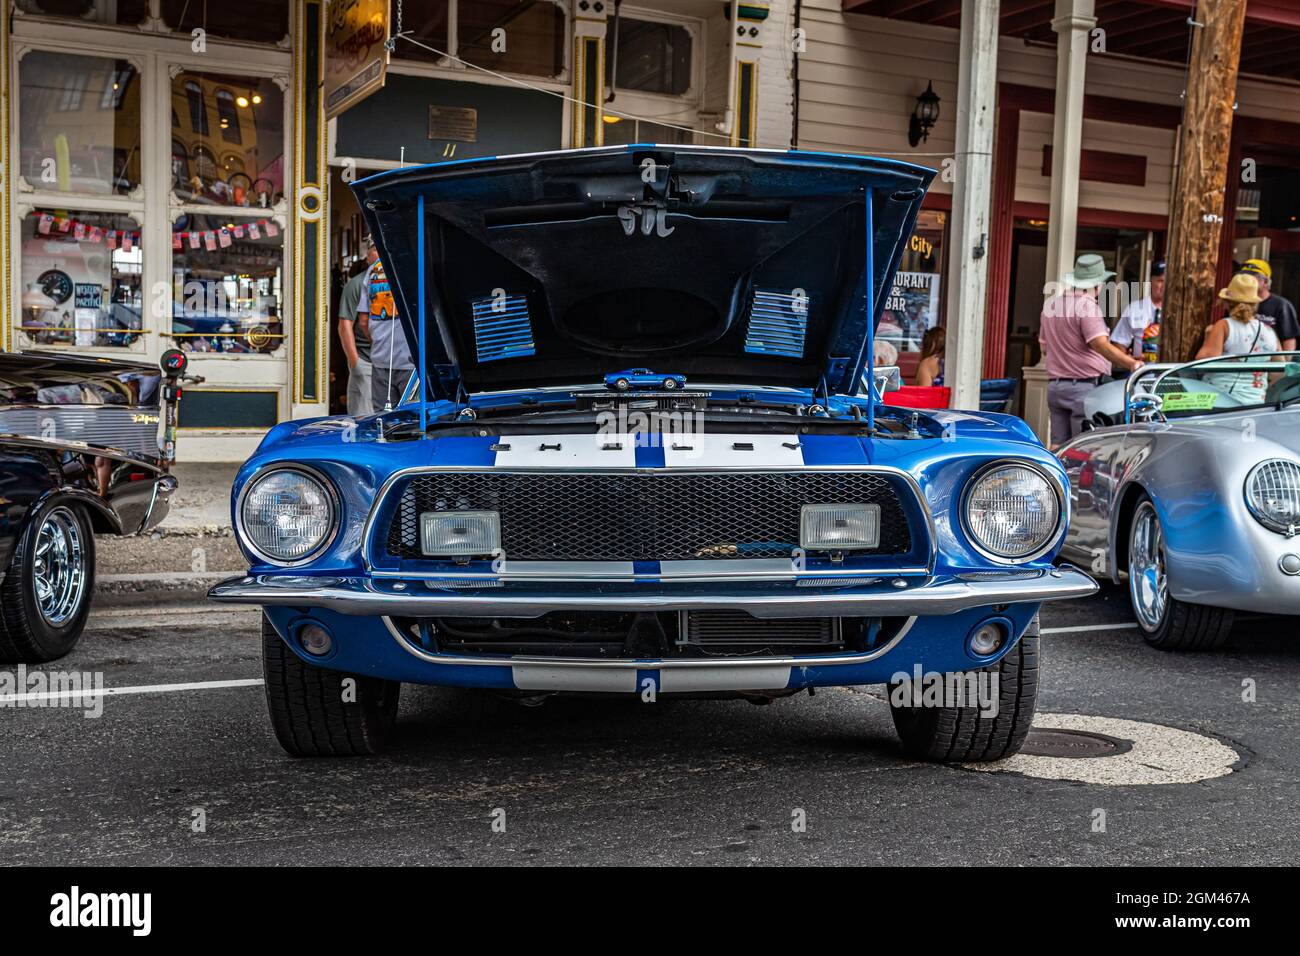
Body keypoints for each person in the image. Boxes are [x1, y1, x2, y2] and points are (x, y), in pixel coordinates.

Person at [1039, 253, 1144, 446]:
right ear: (1099, 284)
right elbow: (1100, 344)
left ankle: (1055, 477)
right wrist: (1132, 363)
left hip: (1056, 387)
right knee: (1083, 447)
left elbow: (1044, 348)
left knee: (1057, 445)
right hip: (1083, 387)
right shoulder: (1087, 307)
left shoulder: (1051, 305)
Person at [1195, 273, 1280, 404]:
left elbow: (1201, 363)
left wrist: (1207, 337)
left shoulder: (1223, 326)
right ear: (1255, 304)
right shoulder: (1269, 332)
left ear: (1227, 303)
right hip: (1255, 403)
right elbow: (1279, 371)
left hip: (1220, 401)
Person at [358, 248, 414, 412]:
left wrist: (377, 342)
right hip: (411, 359)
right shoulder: (414, 265)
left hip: (381, 357)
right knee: (412, 419)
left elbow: (363, 321)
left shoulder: (373, 270)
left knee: (383, 420)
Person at [337, 239, 376, 416]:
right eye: (375, 249)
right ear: (367, 257)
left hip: (396, 364)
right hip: (366, 361)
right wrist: (356, 363)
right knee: (364, 419)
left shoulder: (401, 284)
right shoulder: (356, 285)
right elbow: (345, 326)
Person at [1110, 259, 1164, 361]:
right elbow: (1118, 343)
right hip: (1143, 372)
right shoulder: (1134, 309)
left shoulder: (1180, 312)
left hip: (1172, 372)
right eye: (1160, 281)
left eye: (1168, 281)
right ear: (1151, 281)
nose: (1164, 285)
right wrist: (1129, 361)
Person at [1240, 258, 1298, 350]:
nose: (1248, 281)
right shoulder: (1238, 302)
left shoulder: (1282, 305)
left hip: (1269, 362)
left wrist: (1285, 363)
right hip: (1239, 361)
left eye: (1253, 278)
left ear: (1266, 282)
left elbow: (1289, 340)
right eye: (1245, 277)